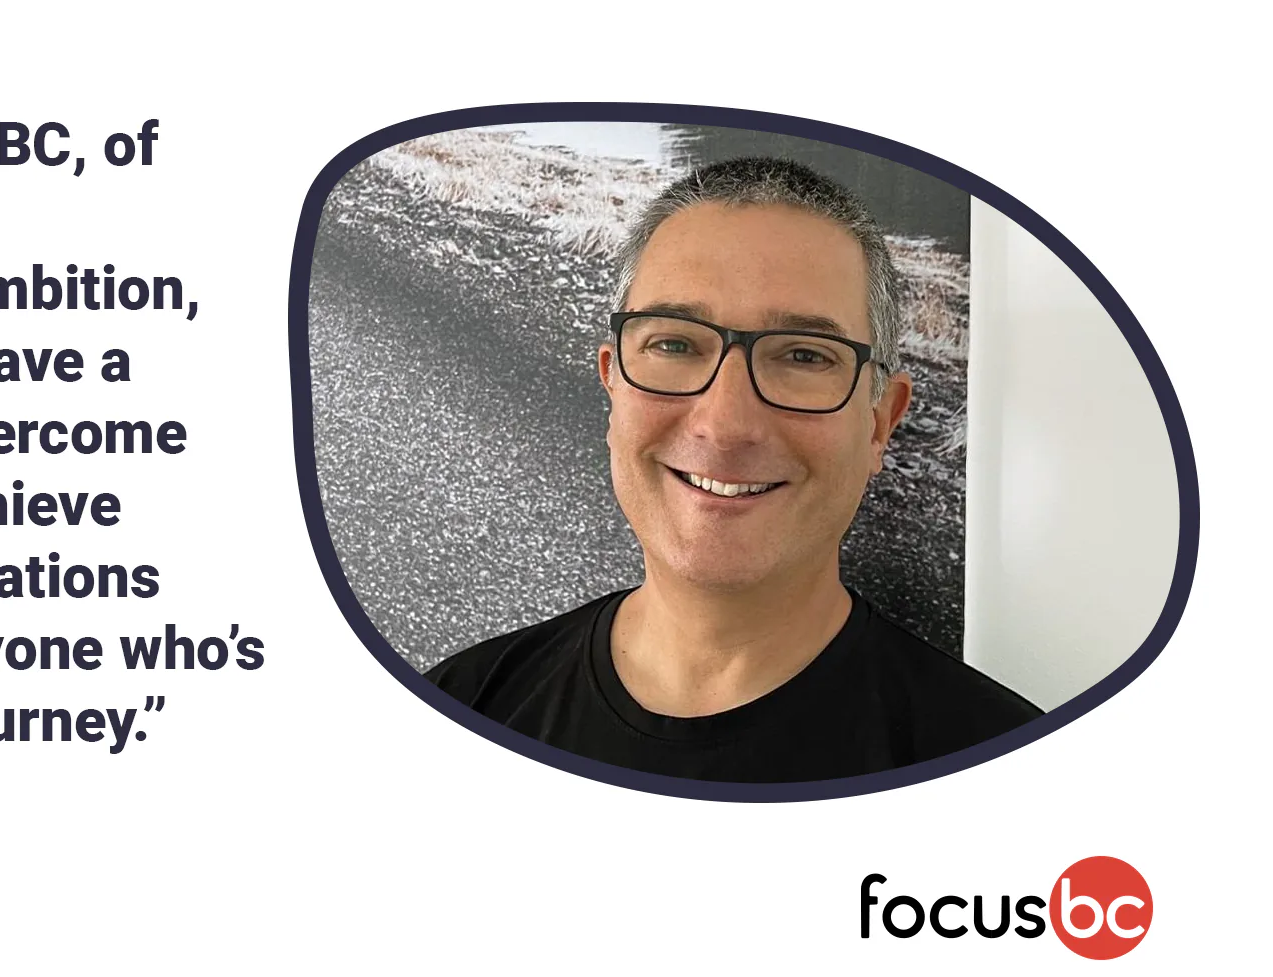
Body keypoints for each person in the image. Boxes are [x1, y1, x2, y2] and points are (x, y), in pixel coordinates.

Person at [425, 157, 1039, 783]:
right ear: (613, 382)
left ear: (880, 420)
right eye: (674, 344)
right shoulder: (458, 713)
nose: (724, 425)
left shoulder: (1011, 775)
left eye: (803, 355)